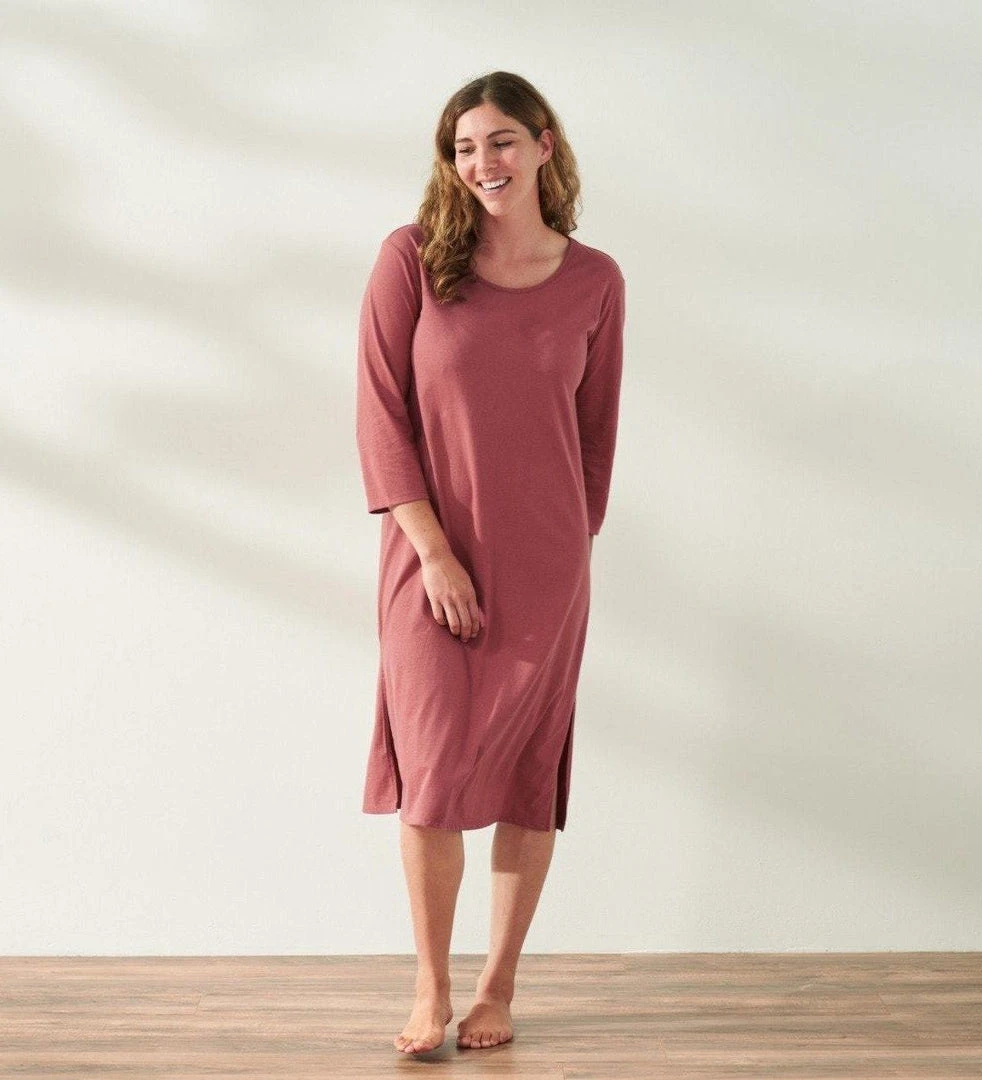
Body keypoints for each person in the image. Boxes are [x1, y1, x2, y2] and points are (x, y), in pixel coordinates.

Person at [355, 70, 626, 1054]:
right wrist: (433, 552)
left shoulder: (596, 280)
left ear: (544, 145)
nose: (483, 163)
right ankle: (429, 989)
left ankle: (497, 989)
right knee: (431, 774)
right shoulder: (413, 260)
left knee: (524, 776)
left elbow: (594, 438)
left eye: (501, 141)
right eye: (464, 148)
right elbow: (380, 417)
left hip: (547, 568)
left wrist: (565, 554)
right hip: (428, 558)